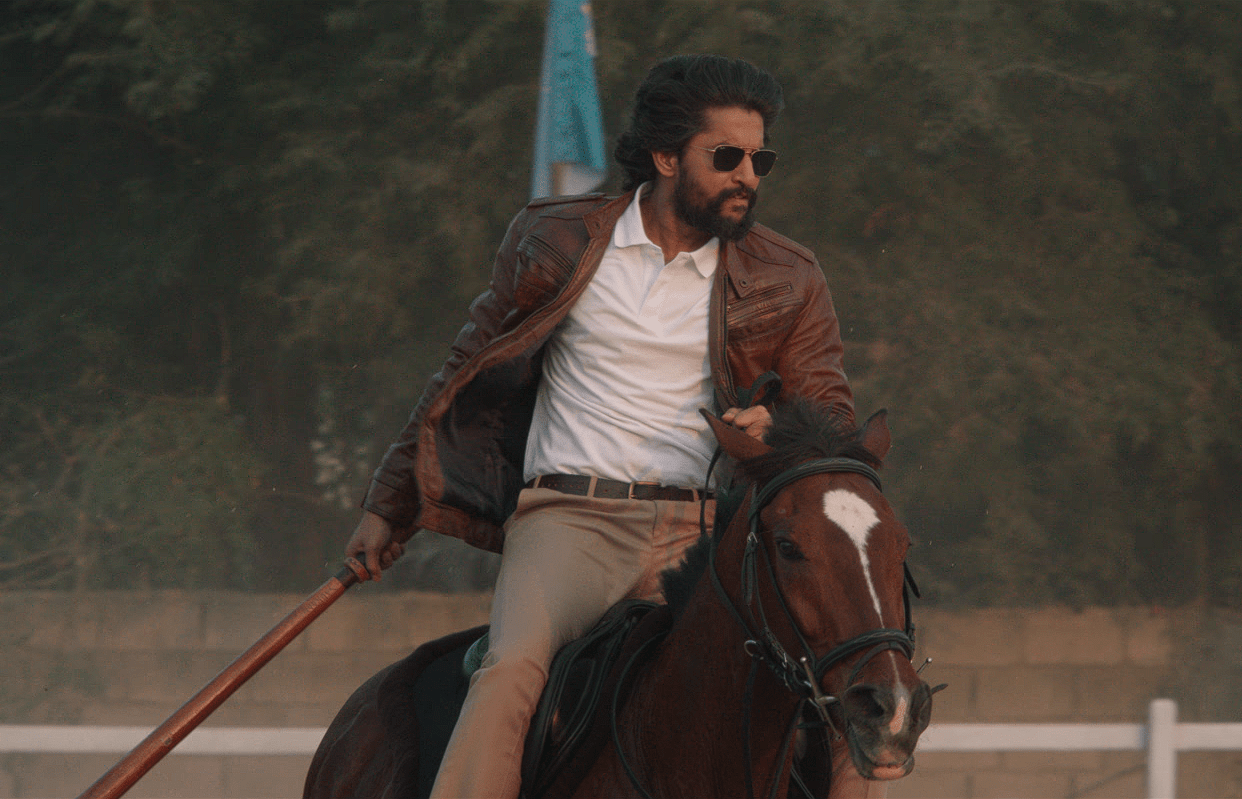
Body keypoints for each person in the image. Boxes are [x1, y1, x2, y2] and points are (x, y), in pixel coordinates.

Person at [343, 54, 867, 799]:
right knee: (514, 664)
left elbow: (835, 424)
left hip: (706, 535)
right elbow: (460, 372)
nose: (749, 174)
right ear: (664, 156)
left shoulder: (792, 275)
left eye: (760, 157)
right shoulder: (553, 240)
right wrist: (388, 503)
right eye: (727, 156)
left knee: (840, 678)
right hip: (569, 522)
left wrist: (781, 422)